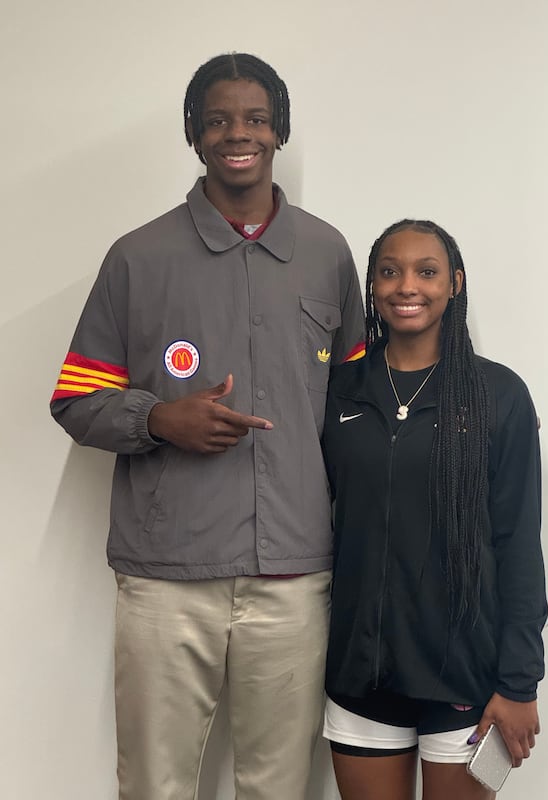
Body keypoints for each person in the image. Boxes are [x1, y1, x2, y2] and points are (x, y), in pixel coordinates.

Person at [50, 53, 364, 800]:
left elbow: (357, 408)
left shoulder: (327, 254)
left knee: (278, 785)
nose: (237, 134)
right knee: (154, 783)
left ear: (279, 130)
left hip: (294, 576)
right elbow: (75, 400)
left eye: (255, 118)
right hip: (166, 577)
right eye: (217, 120)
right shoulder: (137, 257)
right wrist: (158, 418)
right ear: (193, 134)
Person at [321, 219, 547, 800]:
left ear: (455, 284)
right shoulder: (340, 391)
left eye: (426, 271)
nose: (407, 286)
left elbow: (519, 543)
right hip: (360, 675)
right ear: (372, 286)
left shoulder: (498, 395)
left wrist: (519, 682)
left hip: (466, 679)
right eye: (389, 271)